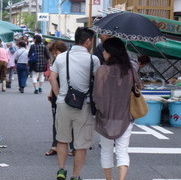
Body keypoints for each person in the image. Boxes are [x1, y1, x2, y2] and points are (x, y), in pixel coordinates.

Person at [50, 27, 100, 180]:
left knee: (62, 139)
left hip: (63, 104)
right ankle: (76, 176)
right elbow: (98, 82)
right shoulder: (93, 60)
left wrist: (59, 96)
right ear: (87, 41)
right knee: (81, 144)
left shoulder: (61, 57)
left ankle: (61, 170)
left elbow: (52, 78)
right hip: (83, 105)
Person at [94, 37, 139, 180]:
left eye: (105, 50)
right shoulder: (131, 70)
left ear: (111, 52)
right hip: (125, 117)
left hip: (105, 117)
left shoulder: (102, 70)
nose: (103, 53)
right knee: (122, 151)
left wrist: (101, 109)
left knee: (106, 151)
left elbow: (97, 95)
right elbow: (138, 89)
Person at [45, 41, 75, 157]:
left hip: (67, 95)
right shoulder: (56, 61)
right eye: (53, 54)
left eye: (56, 53)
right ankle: (55, 146)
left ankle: (73, 147)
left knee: (70, 120)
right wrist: (51, 92)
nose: (54, 56)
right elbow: (54, 80)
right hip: (57, 94)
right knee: (56, 120)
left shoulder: (68, 61)